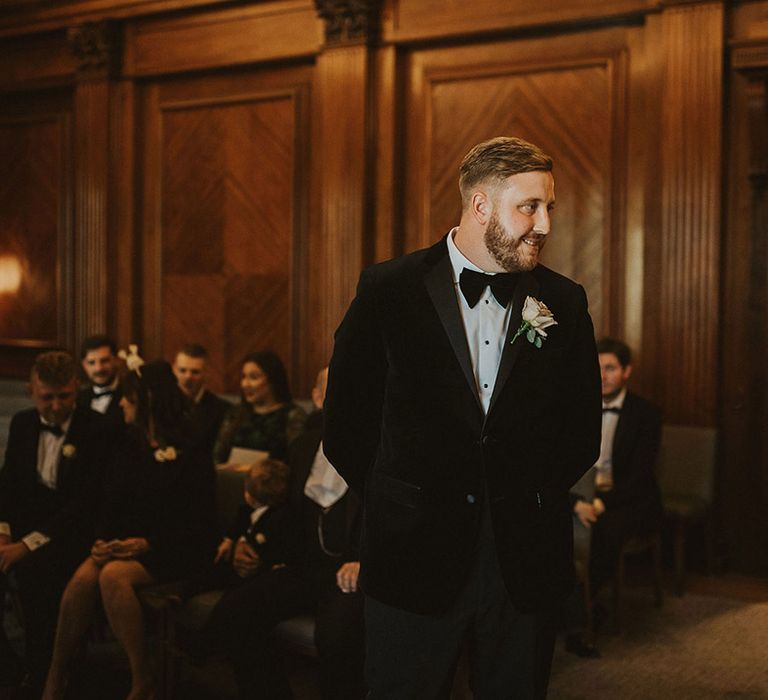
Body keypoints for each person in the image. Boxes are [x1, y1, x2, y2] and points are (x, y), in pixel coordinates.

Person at [324, 136, 601, 698]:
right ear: (480, 206)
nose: (544, 223)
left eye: (549, 207)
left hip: (523, 560)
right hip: (411, 556)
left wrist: (531, 499)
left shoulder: (564, 302)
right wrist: (400, 502)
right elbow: (346, 422)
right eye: (530, 206)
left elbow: (581, 430)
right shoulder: (388, 290)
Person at [42, 357, 218, 700]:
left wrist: (147, 544)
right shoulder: (127, 445)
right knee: (83, 577)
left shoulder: (192, 451)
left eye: (128, 397)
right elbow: (108, 501)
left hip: (176, 550)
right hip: (128, 546)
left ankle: (141, 678)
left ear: (147, 402)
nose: (121, 402)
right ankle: (56, 673)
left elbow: (200, 524)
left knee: (113, 577)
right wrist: (103, 541)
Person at [209, 367, 365, 700]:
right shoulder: (302, 445)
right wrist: (241, 542)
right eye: (330, 391)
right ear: (317, 397)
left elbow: (392, 516)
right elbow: (266, 499)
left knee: (337, 636)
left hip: (352, 573)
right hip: (303, 565)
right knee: (237, 611)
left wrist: (363, 560)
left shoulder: (379, 448)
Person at [0, 351, 113, 691]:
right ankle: (9, 667)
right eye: (46, 397)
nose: (56, 406)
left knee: (36, 574)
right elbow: (8, 486)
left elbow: (85, 505)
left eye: (64, 396)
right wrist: (4, 535)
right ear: (31, 391)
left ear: (76, 388)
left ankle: (46, 675)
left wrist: (27, 545)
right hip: (23, 532)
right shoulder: (22, 424)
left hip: (72, 534)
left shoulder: (99, 430)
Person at [565, 337, 662, 655]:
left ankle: (577, 618)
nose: (603, 375)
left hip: (628, 498)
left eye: (610, 368)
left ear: (627, 371)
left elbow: (641, 476)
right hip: (581, 494)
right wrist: (578, 502)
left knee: (603, 534)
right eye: (598, 368)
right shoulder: (577, 407)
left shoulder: (646, 414)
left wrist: (600, 503)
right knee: (552, 531)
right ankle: (572, 610)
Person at [212, 351, 306, 464]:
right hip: (232, 478)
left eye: (253, 377)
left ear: (272, 380)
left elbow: (296, 460)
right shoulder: (236, 413)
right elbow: (217, 457)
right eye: (243, 377)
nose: (245, 384)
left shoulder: (292, 415)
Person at [172, 344, 231, 456]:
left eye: (195, 372)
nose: (188, 376)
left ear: (206, 372)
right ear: (174, 370)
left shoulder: (221, 409)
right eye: (182, 370)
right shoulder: (161, 405)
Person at [78, 335, 123, 424]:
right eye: (92, 363)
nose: (99, 369)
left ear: (117, 360)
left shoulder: (129, 397)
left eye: (105, 361)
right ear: (84, 365)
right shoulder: (77, 398)